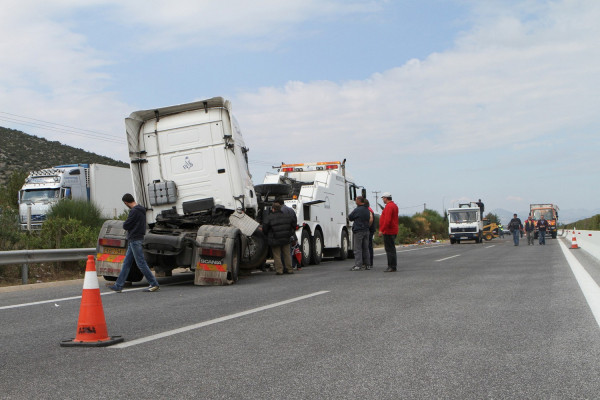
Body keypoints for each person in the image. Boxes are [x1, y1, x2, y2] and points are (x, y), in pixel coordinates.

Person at [108, 193, 160, 293]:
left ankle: (154, 283)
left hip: (134, 239)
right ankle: (118, 285)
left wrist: (126, 223)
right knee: (127, 263)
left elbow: (126, 225)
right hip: (136, 238)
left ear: (126, 202)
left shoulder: (134, 211)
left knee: (141, 263)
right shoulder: (141, 209)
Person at [261, 202, 296, 275]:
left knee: (277, 255)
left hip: (275, 239)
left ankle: (279, 270)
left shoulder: (269, 217)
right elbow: (293, 225)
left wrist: (268, 234)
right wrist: (290, 233)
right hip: (286, 238)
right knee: (287, 254)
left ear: (273, 209)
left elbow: (265, 228)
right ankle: (289, 269)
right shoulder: (287, 216)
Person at [348, 196, 371, 271]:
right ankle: (367, 264)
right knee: (365, 248)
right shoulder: (367, 210)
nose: (355, 201)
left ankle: (358, 265)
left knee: (358, 248)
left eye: (356, 200)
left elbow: (350, 217)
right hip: (366, 230)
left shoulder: (357, 209)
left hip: (358, 230)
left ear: (359, 201)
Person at [378, 192, 399, 272]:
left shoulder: (389, 207)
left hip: (389, 231)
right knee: (392, 249)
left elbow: (387, 220)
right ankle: (393, 266)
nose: (383, 199)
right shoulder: (394, 206)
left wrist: (382, 230)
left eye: (383, 198)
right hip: (393, 230)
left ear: (386, 198)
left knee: (389, 249)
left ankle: (391, 266)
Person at [364, 199, 376, 269]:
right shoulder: (370, 209)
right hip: (371, 229)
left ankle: (369, 262)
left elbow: (371, 219)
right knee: (369, 246)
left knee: (368, 246)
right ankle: (369, 262)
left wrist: (367, 226)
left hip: (369, 230)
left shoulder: (368, 210)